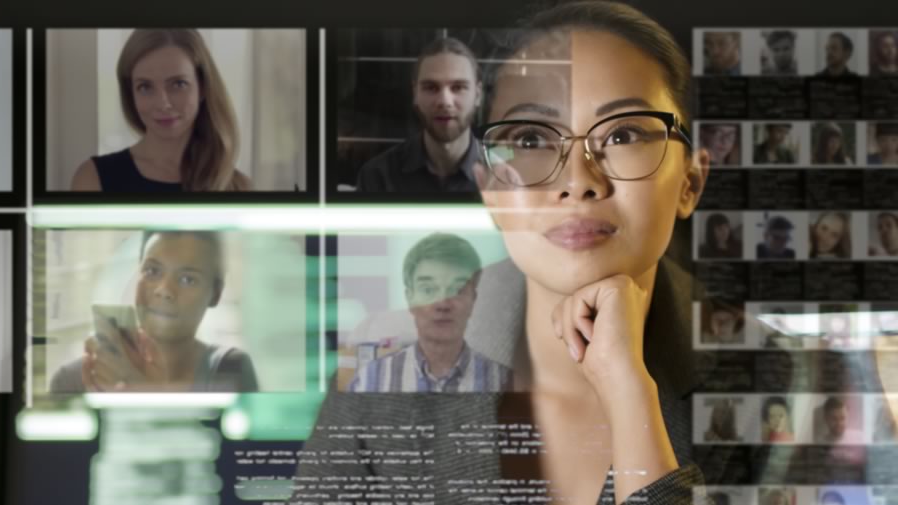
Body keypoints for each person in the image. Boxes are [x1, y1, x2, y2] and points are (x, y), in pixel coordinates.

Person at [294, 2, 719, 503]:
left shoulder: (791, 379)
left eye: (622, 134)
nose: (578, 180)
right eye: (533, 137)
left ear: (690, 182)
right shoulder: (380, 370)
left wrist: (631, 395)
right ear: (492, 190)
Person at [49, 230, 258, 392]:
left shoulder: (230, 370)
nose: (164, 290)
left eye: (188, 279)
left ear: (215, 294)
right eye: (152, 271)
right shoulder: (74, 378)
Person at [70, 29, 250, 192]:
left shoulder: (236, 185)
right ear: (131, 94)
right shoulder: (93, 178)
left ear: (202, 88)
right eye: (145, 87)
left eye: (178, 84)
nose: (163, 103)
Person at [348, 233, 510, 392]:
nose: (443, 304)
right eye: (428, 289)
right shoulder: (369, 380)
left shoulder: (505, 381)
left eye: (457, 289)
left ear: (473, 299)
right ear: (410, 299)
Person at [354, 38, 482, 192]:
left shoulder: (505, 178)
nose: (444, 101)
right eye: (431, 87)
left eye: (458, 87)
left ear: (478, 95)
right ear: (415, 93)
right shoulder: (377, 176)